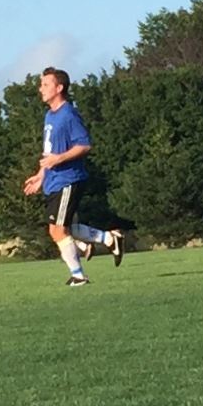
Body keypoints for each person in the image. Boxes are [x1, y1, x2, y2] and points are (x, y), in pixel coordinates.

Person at [22, 68, 123, 286]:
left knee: (57, 230)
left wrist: (58, 160)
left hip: (69, 179)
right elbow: (49, 153)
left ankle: (78, 276)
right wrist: (40, 175)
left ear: (59, 88)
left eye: (45, 84)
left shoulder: (69, 114)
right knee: (63, 229)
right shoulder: (49, 115)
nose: (41, 89)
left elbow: (84, 145)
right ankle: (107, 238)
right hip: (53, 181)